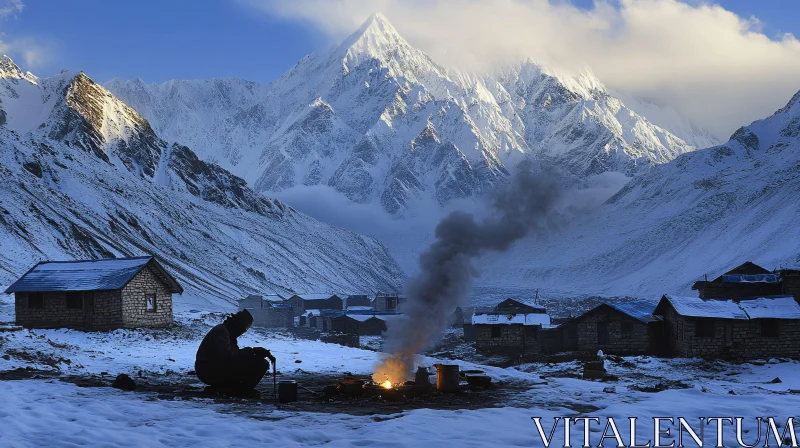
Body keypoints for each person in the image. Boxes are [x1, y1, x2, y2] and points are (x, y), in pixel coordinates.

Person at [195, 309, 273, 394]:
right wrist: (251, 351)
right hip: (208, 370)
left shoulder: (229, 333)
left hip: (213, 367)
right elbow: (227, 355)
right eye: (242, 329)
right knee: (261, 364)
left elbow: (235, 355)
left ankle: (235, 389)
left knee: (257, 362)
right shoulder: (221, 331)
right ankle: (240, 390)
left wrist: (254, 354)